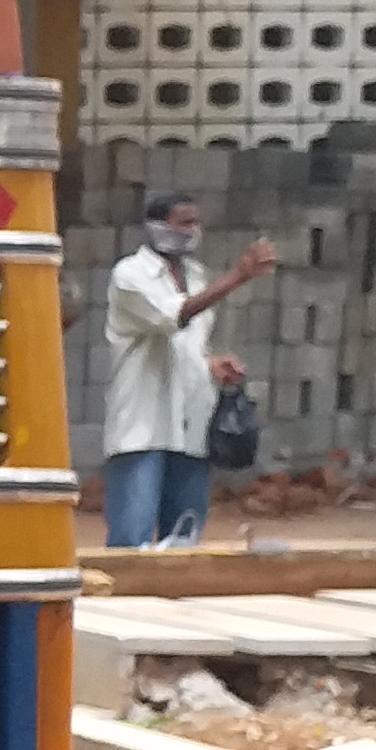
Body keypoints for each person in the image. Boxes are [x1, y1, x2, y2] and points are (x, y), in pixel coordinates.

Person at [104, 190, 276, 552]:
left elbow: (189, 343)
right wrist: (238, 276)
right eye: (184, 223)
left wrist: (212, 364)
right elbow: (173, 315)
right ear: (156, 227)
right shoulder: (130, 275)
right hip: (143, 426)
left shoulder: (196, 275)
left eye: (196, 223)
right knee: (130, 542)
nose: (193, 231)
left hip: (192, 424)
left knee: (184, 539)